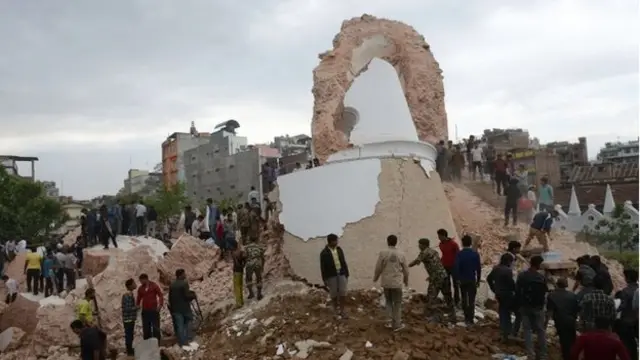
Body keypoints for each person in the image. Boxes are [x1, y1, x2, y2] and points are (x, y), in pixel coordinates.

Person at [408, 238, 455, 319]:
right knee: (447, 296)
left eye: (419, 244)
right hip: (443, 275)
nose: (418, 246)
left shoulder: (424, 252)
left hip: (436, 278)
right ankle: (452, 315)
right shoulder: (434, 251)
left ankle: (429, 315)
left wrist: (407, 266)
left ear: (423, 245)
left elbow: (416, 261)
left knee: (431, 296)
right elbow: (436, 264)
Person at [373, 234, 409, 331]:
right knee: (397, 303)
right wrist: (406, 280)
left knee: (388, 301)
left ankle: (388, 321)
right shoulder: (401, 254)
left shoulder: (383, 253)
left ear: (387, 241)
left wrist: (375, 278)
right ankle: (396, 324)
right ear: (396, 242)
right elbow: (406, 269)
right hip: (397, 283)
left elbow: (378, 268)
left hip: (386, 282)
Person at [516, 255, 548, 359]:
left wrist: (519, 304)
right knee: (540, 330)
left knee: (527, 330)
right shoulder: (541, 277)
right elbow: (545, 291)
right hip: (538, 307)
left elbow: (517, 291)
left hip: (525, 306)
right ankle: (543, 354)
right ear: (538, 265)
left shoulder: (522, 275)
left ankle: (531, 353)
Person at [487, 253, 517, 342]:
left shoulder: (496, 268)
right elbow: (511, 284)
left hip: (499, 293)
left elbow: (489, 279)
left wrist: (494, 289)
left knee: (502, 311)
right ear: (508, 261)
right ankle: (509, 332)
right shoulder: (507, 270)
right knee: (510, 312)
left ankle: (503, 331)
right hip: (507, 293)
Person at [547, 277, 579, 360]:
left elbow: (549, 312)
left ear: (557, 284)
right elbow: (577, 310)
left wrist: (545, 323)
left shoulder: (551, 295)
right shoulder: (572, 295)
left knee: (564, 342)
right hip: (571, 321)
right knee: (572, 341)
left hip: (560, 321)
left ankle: (566, 357)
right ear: (566, 285)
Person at [319, 233, 350, 319]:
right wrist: (324, 279)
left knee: (343, 292)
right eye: (335, 240)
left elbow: (343, 261)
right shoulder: (324, 253)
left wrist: (346, 273)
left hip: (341, 273)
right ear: (331, 241)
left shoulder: (339, 250)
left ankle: (342, 310)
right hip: (331, 275)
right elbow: (323, 267)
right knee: (334, 294)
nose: (337, 242)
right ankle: (336, 311)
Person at [453, 235, 482, 325]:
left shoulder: (459, 254)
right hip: (472, 279)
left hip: (463, 280)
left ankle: (466, 318)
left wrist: (457, 279)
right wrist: (478, 280)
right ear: (471, 243)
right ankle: (471, 318)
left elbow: (456, 267)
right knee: (472, 300)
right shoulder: (475, 254)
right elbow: (478, 268)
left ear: (462, 243)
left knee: (464, 299)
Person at [169, 269, 196, 349]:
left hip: (175, 309)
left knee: (179, 326)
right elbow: (187, 296)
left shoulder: (172, 285)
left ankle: (182, 343)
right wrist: (193, 296)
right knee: (189, 321)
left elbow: (170, 298)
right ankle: (189, 339)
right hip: (184, 308)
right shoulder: (184, 283)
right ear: (180, 275)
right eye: (184, 274)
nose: (185, 275)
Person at [615, 269, 638, 360]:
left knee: (627, 344)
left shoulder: (626, 291)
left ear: (627, 278)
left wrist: (615, 311)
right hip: (637, 320)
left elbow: (623, 306)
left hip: (627, 321)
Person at [136, 273, 163, 340]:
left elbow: (160, 295)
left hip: (154, 310)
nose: (140, 282)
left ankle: (157, 343)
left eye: (141, 280)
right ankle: (148, 344)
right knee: (146, 329)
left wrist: (160, 305)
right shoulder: (140, 288)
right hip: (145, 311)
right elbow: (138, 298)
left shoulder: (154, 286)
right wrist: (137, 305)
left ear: (145, 279)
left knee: (156, 328)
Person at [437, 229, 460, 307]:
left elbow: (458, 255)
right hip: (445, 266)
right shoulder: (441, 244)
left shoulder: (454, 244)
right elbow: (444, 255)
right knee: (446, 284)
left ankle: (457, 300)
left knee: (456, 284)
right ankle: (449, 301)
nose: (439, 238)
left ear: (444, 235)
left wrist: (458, 266)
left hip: (454, 267)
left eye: (439, 236)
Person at [121, 278, 137, 357]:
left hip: (130, 318)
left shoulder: (130, 294)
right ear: (130, 285)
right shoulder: (127, 295)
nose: (135, 284)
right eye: (134, 283)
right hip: (128, 319)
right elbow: (126, 309)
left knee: (130, 335)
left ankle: (130, 349)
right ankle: (129, 351)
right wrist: (136, 308)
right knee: (128, 335)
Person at [231, 243, 246, 308]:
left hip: (236, 271)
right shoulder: (241, 252)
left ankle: (239, 303)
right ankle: (242, 301)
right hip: (241, 271)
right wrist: (243, 266)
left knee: (237, 287)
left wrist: (238, 266)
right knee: (240, 286)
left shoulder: (233, 253)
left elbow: (236, 262)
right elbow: (245, 258)